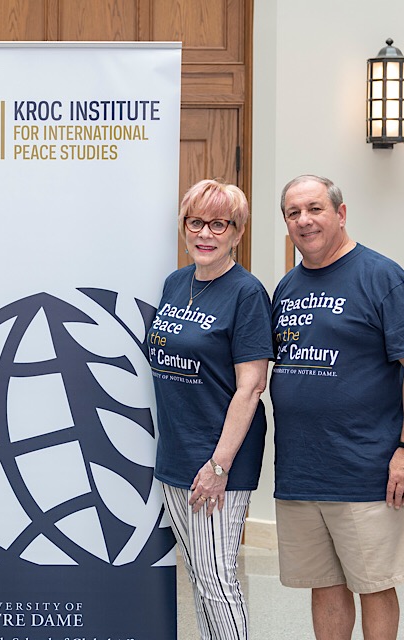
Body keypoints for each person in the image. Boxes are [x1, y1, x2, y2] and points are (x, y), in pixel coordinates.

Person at [271, 175, 404, 640]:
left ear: (340, 214)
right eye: (293, 213)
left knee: (374, 586)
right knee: (323, 585)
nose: (304, 220)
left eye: (315, 209)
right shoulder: (287, 287)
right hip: (302, 469)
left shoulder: (381, 276)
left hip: (366, 468)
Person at [148, 179, 273, 639]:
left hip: (218, 461)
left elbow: (251, 387)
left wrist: (218, 466)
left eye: (219, 224)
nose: (206, 233)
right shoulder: (176, 283)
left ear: (237, 233)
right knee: (201, 578)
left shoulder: (247, 293)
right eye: (196, 222)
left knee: (218, 581)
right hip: (176, 456)